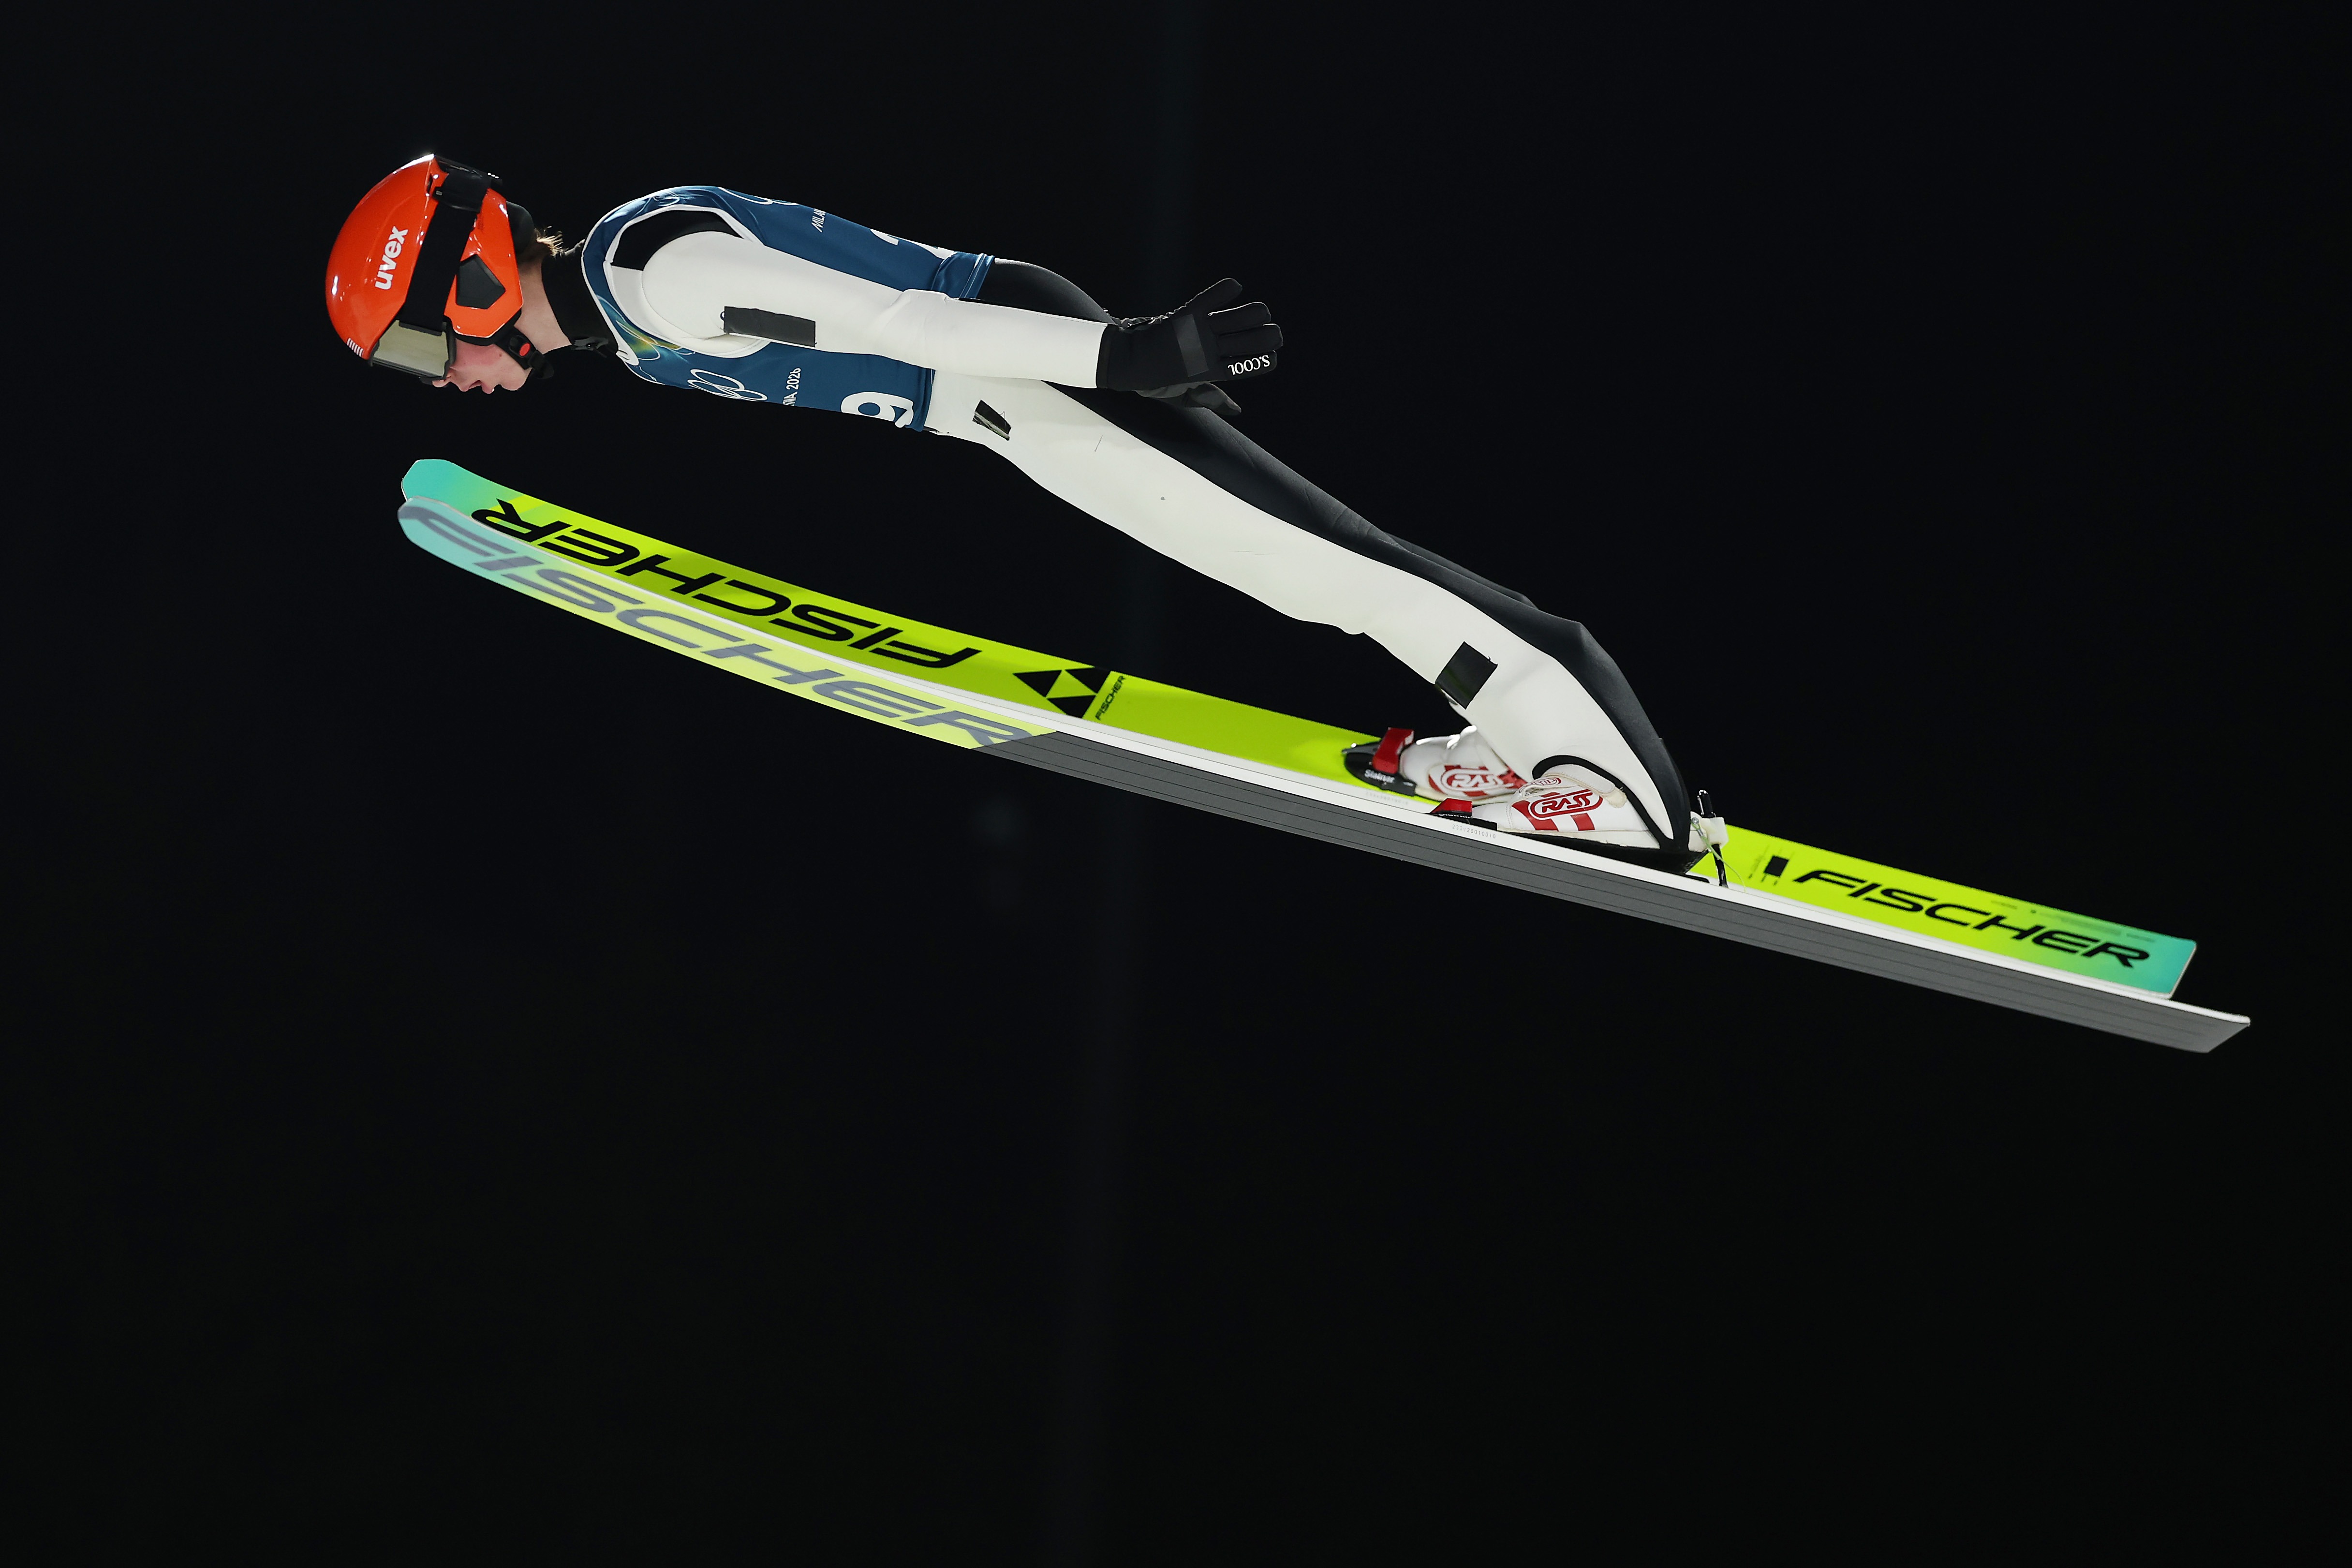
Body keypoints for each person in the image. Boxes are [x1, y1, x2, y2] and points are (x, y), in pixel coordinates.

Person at [325, 155, 1713, 873]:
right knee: (1306, 576)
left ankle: (1619, 786)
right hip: (1008, 397)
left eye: (411, 345)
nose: (437, 379)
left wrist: (1129, 357)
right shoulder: (628, 302)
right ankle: (1529, 751)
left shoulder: (656, 283)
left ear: (468, 278)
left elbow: (904, 319)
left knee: (1327, 567)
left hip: (1020, 374)